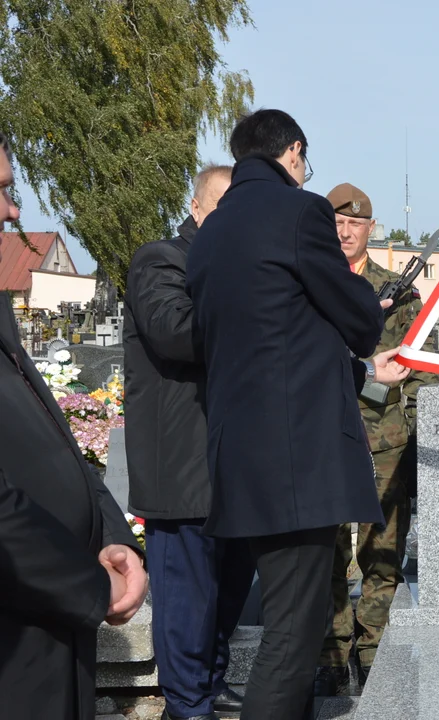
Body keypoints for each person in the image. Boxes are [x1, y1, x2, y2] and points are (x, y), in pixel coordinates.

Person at [185, 109, 409, 720]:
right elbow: (360, 321)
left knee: (290, 617)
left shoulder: (210, 232)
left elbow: (253, 336)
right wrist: (366, 303)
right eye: (305, 162)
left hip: (240, 452)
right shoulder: (300, 211)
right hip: (297, 455)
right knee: (294, 630)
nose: (306, 172)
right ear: (293, 153)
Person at [0, 129, 148, 719]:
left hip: (52, 636)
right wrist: (92, 588)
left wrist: (112, 533)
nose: (13, 211)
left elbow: (55, 443)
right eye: (2, 191)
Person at [123, 164, 255, 720]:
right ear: (197, 209)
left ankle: (211, 686)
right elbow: (176, 331)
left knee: (226, 599)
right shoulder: (162, 259)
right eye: (222, 208)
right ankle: (187, 707)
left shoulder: (241, 273)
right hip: (183, 475)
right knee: (187, 606)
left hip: (236, 472)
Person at [313, 183, 439, 695]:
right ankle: (331, 651)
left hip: (384, 438)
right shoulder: (309, 282)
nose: (345, 232)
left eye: (355, 224)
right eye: (336, 223)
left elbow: (421, 368)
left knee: (381, 548)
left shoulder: (401, 292)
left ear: (370, 229)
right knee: (325, 550)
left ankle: (372, 646)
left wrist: (417, 432)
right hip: (322, 434)